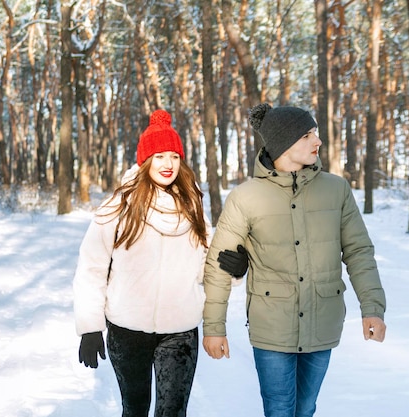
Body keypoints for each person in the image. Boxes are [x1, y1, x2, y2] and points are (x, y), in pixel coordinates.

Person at [202, 103, 387, 417]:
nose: (317, 141)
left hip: (323, 319)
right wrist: (214, 327)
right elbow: (220, 266)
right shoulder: (245, 197)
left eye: (314, 132)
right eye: (307, 135)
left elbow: (358, 252)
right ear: (283, 142)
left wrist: (373, 308)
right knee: (279, 409)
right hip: (271, 323)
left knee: (305, 408)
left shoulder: (336, 190)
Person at [74, 110, 244, 417]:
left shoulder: (191, 204)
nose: (168, 164)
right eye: (160, 155)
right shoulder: (119, 204)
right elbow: (92, 268)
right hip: (127, 329)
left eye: (174, 156)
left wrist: (233, 269)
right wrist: (90, 327)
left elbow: (205, 263)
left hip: (180, 331)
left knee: (173, 412)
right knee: (135, 410)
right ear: (145, 160)